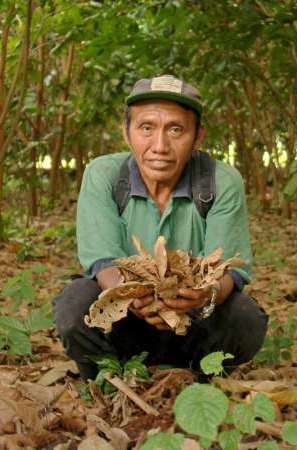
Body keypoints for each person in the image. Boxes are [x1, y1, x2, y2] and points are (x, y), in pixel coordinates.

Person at [52, 75, 268, 379]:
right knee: (74, 308)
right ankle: (109, 377)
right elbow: (102, 261)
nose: (160, 146)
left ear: (198, 136)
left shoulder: (220, 181)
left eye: (176, 129)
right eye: (146, 128)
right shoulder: (105, 175)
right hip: (125, 316)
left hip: (194, 321)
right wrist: (138, 299)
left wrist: (204, 296)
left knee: (245, 318)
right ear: (126, 133)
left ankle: (199, 376)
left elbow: (228, 272)